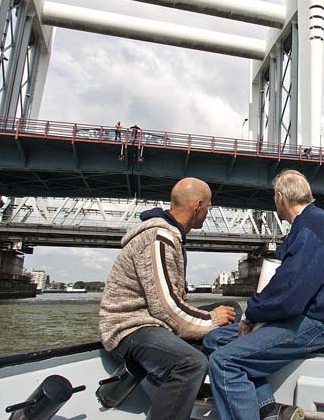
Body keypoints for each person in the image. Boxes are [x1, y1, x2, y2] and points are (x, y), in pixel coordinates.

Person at [203, 170, 324, 420]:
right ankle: (266, 407)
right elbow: (287, 286)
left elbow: (291, 292)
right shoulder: (309, 224)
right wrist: (257, 314)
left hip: (318, 321)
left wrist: (251, 315)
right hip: (302, 315)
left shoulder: (313, 228)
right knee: (216, 340)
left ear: (280, 198)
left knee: (225, 362)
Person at [99, 177, 238, 420]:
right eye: (208, 206)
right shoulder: (158, 238)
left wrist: (213, 318)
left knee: (232, 308)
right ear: (197, 206)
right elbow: (166, 308)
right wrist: (212, 321)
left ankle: (218, 377)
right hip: (130, 329)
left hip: (153, 322)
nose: (209, 211)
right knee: (191, 363)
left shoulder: (171, 235)